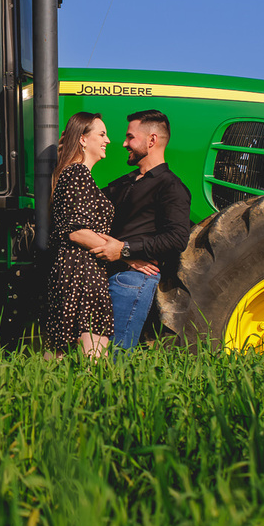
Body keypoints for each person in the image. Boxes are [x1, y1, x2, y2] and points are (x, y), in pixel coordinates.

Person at [91, 110, 192, 350]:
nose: (124, 143)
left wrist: (125, 250)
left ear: (152, 140)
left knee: (114, 355)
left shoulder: (171, 186)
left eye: (130, 137)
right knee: (95, 356)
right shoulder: (123, 183)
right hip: (109, 272)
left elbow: (177, 238)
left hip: (133, 280)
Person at [44, 112, 116, 358]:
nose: (108, 140)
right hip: (82, 271)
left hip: (75, 269)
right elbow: (76, 232)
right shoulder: (77, 174)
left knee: (58, 353)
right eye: (102, 134)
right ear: (83, 139)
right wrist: (120, 252)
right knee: (95, 361)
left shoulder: (71, 174)